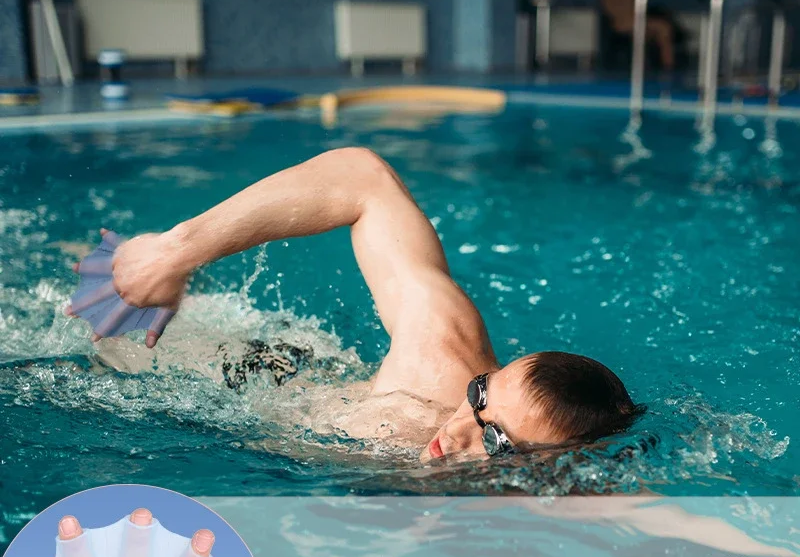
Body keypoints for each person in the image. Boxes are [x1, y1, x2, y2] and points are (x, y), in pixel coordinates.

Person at [74, 147, 644, 464]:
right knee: (106, 344)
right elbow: (365, 180)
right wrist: (179, 250)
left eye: (497, 441)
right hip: (260, 378)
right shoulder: (439, 357)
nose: (455, 431)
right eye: (480, 396)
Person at [601, 0, 675, 71]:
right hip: (622, 24)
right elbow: (613, 12)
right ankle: (642, 66)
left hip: (638, 20)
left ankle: (668, 65)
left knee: (663, 28)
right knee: (644, 32)